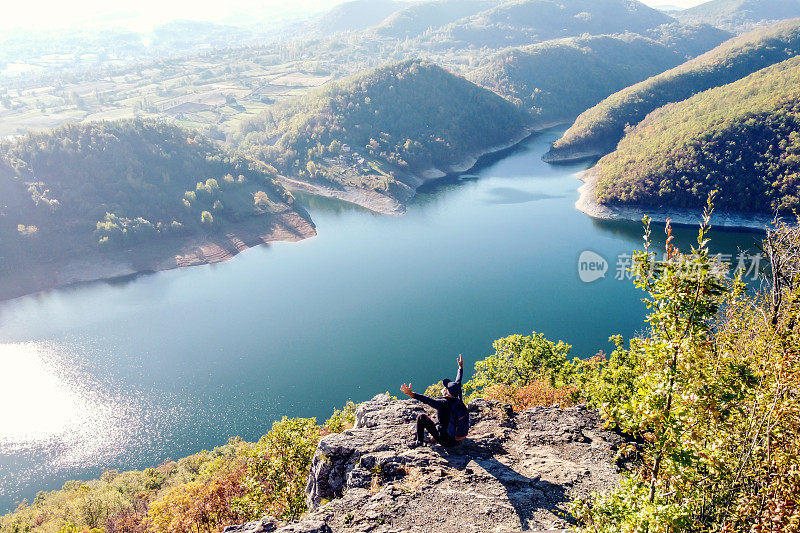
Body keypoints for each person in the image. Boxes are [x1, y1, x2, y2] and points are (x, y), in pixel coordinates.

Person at [400, 354, 469, 448]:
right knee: (441, 422)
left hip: (446, 441)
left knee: (422, 417)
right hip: (456, 439)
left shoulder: (443, 404)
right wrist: (460, 368)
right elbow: (458, 381)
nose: (444, 388)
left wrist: (412, 394)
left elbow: (427, 400)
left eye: (446, 388)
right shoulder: (457, 397)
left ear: (447, 394)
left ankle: (419, 442)